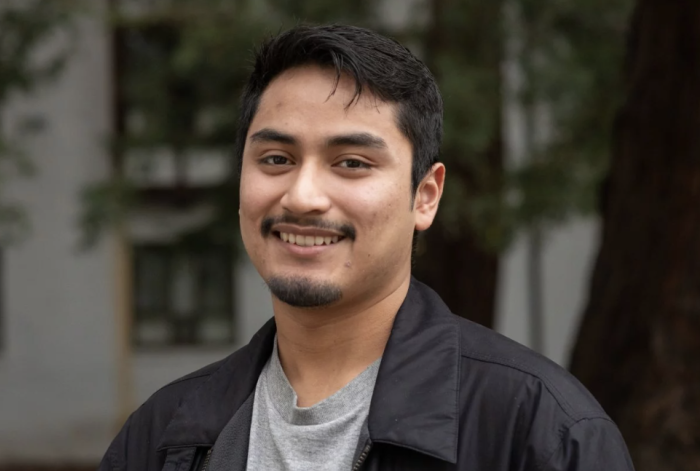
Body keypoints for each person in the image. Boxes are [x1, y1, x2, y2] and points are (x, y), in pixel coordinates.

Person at [99, 24, 634, 471]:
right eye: (276, 160)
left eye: (351, 163)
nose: (303, 197)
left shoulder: (541, 433)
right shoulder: (164, 438)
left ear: (425, 196)